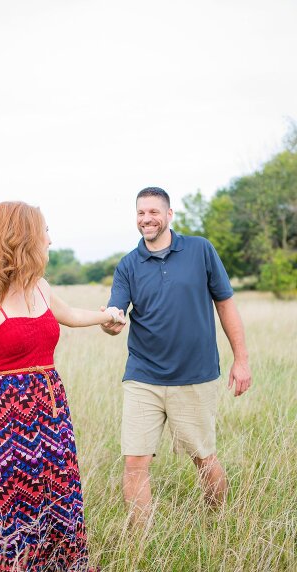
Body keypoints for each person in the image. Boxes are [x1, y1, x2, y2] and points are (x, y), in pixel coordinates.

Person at [0, 201, 124, 572]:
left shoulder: (41, 288)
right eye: (45, 231)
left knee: (59, 504)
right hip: (5, 425)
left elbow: (72, 316)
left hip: (52, 420)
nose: (50, 240)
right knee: (7, 516)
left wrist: (108, 316)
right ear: (24, 238)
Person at [101, 187, 252, 528]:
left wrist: (240, 360)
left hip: (195, 376)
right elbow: (116, 311)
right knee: (135, 463)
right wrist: (111, 323)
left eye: (153, 212)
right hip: (143, 377)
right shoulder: (128, 265)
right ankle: (139, 543)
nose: (146, 219)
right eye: (141, 213)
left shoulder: (200, 250)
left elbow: (225, 304)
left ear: (169, 215)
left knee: (203, 458)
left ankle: (218, 524)